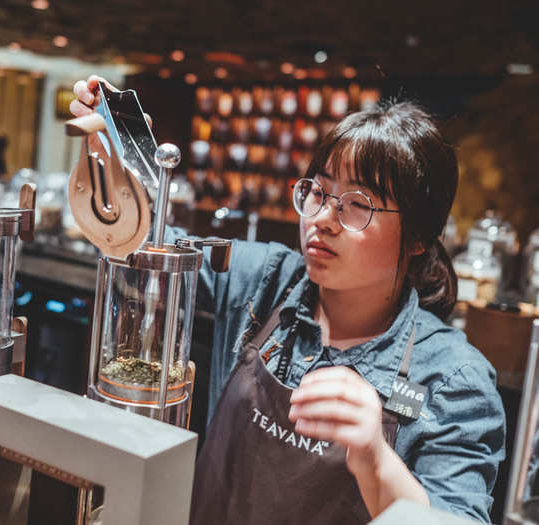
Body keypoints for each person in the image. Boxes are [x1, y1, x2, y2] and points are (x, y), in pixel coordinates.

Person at [71, 75, 505, 524]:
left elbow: (459, 518)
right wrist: (122, 161)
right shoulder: (266, 281)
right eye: (318, 192)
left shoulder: (453, 379)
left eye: (357, 203)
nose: (322, 219)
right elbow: (145, 248)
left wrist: (376, 460)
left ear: (417, 236)